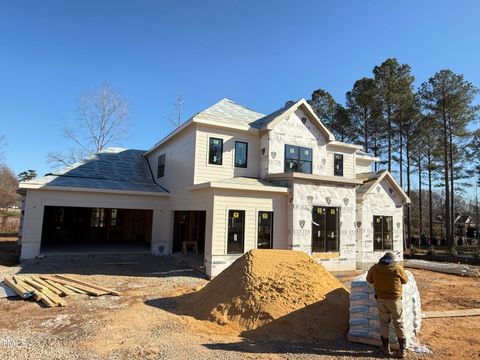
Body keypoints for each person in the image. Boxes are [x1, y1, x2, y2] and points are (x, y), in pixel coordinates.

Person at [367, 251, 408, 358]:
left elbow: (369, 280)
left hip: (381, 299)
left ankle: (385, 348)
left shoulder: (374, 268)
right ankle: (402, 350)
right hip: (395, 300)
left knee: (384, 323)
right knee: (398, 323)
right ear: (393, 260)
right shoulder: (397, 268)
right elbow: (405, 281)